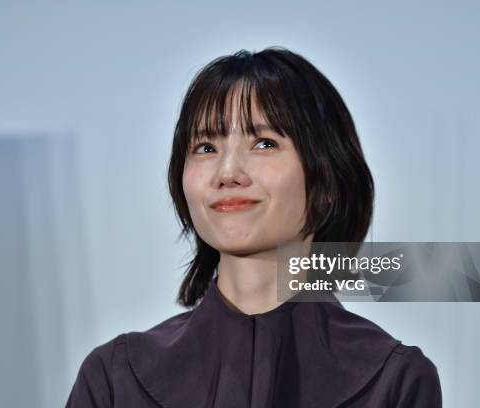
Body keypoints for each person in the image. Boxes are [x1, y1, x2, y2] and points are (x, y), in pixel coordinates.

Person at [66, 47, 443, 407]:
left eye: (264, 143)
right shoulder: (115, 378)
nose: (227, 173)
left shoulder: (394, 380)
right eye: (205, 147)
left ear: (327, 182)